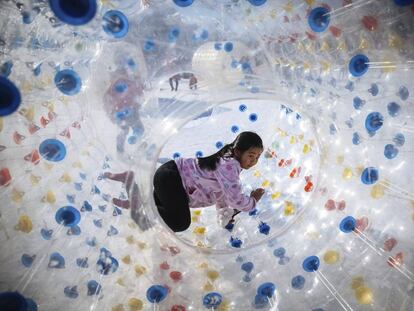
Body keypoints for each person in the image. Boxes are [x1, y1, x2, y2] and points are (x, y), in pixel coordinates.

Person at [153, 131, 265, 232]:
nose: (254, 161)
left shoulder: (228, 162)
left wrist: (224, 213)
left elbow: (220, 190)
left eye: (257, 157)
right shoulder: (229, 165)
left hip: (169, 176)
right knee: (179, 223)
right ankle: (142, 210)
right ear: (238, 152)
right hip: (172, 178)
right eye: (251, 156)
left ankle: (143, 206)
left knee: (160, 210)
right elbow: (235, 200)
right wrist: (253, 200)